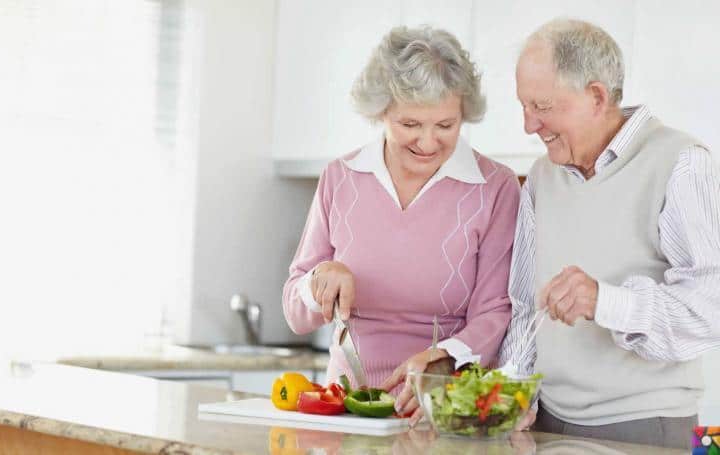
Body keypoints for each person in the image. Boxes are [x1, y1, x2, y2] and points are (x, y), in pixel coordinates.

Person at [498, 18, 720, 448]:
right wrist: (515, 392)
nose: (529, 125)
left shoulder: (681, 162)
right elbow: (525, 306)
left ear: (596, 97)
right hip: (544, 421)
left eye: (541, 106)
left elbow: (713, 306)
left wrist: (606, 301)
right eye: (524, 106)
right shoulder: (542, 177)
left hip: (648, 426)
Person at [282, 25, 520, 426]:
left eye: (446, 125)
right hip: (345, 408)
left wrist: (444, 358)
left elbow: (495, 313)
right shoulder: (342, 178)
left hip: (442, 410)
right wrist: (318, 281)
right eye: (411, 124)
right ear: (381, 111)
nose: (428, 142)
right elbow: (295, 309)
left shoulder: (494, 188)